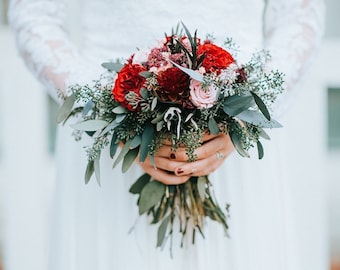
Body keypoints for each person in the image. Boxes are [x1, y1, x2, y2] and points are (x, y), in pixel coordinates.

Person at [8, 0, 326, 269]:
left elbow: (300, 16)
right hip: (116, 149)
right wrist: (111, 112)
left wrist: (247, 112)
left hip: (233, 145)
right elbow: (35, 17)